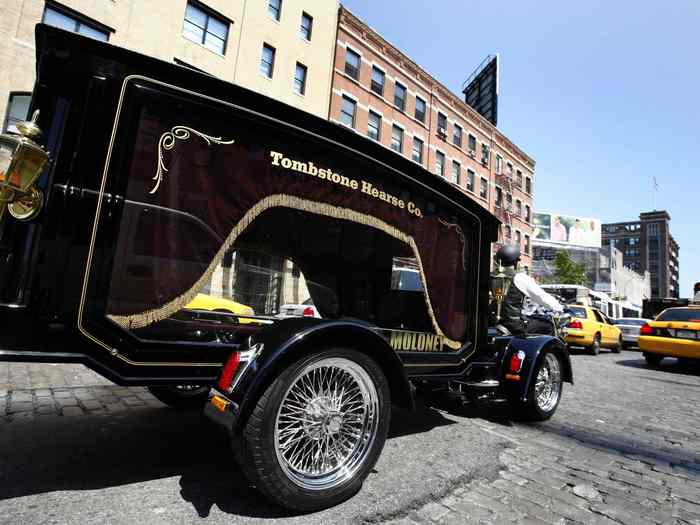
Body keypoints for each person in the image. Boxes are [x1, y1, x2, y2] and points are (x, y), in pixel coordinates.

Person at [494, 244, 563, 336]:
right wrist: (558, 308)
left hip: (492, 321)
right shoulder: (519, 277)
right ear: (516, 262)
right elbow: (540, 296)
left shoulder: (492, 276)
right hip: (513, 324)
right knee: (548, 325)